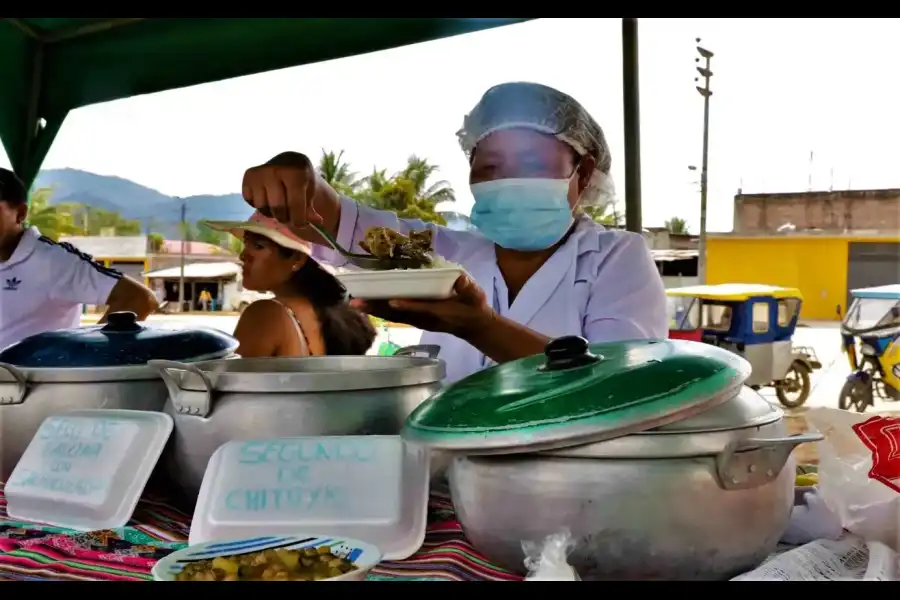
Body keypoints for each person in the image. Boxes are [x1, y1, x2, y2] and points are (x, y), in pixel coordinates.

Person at [240, 82, 667, 382]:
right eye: (490, 167)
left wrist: (481, 327)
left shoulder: (615, 258)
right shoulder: (448, 252)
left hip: (567, 485)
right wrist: (299, 177)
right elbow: (343, 223)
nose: (506, 180)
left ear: (584, 171)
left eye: (530, 163)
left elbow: (618, 383)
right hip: (449, 474)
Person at [0, 168, 159, 349]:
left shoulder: (54, 261)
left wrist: (88, 352)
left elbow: (138, 299)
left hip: (26, 376)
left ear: (21, 213)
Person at [202, 212, 376, 357]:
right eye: (246, 244)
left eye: (258, 246)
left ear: (297, 259)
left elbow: (231, 390)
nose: (243, 255)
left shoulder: (265, 314)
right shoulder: (329, 313)